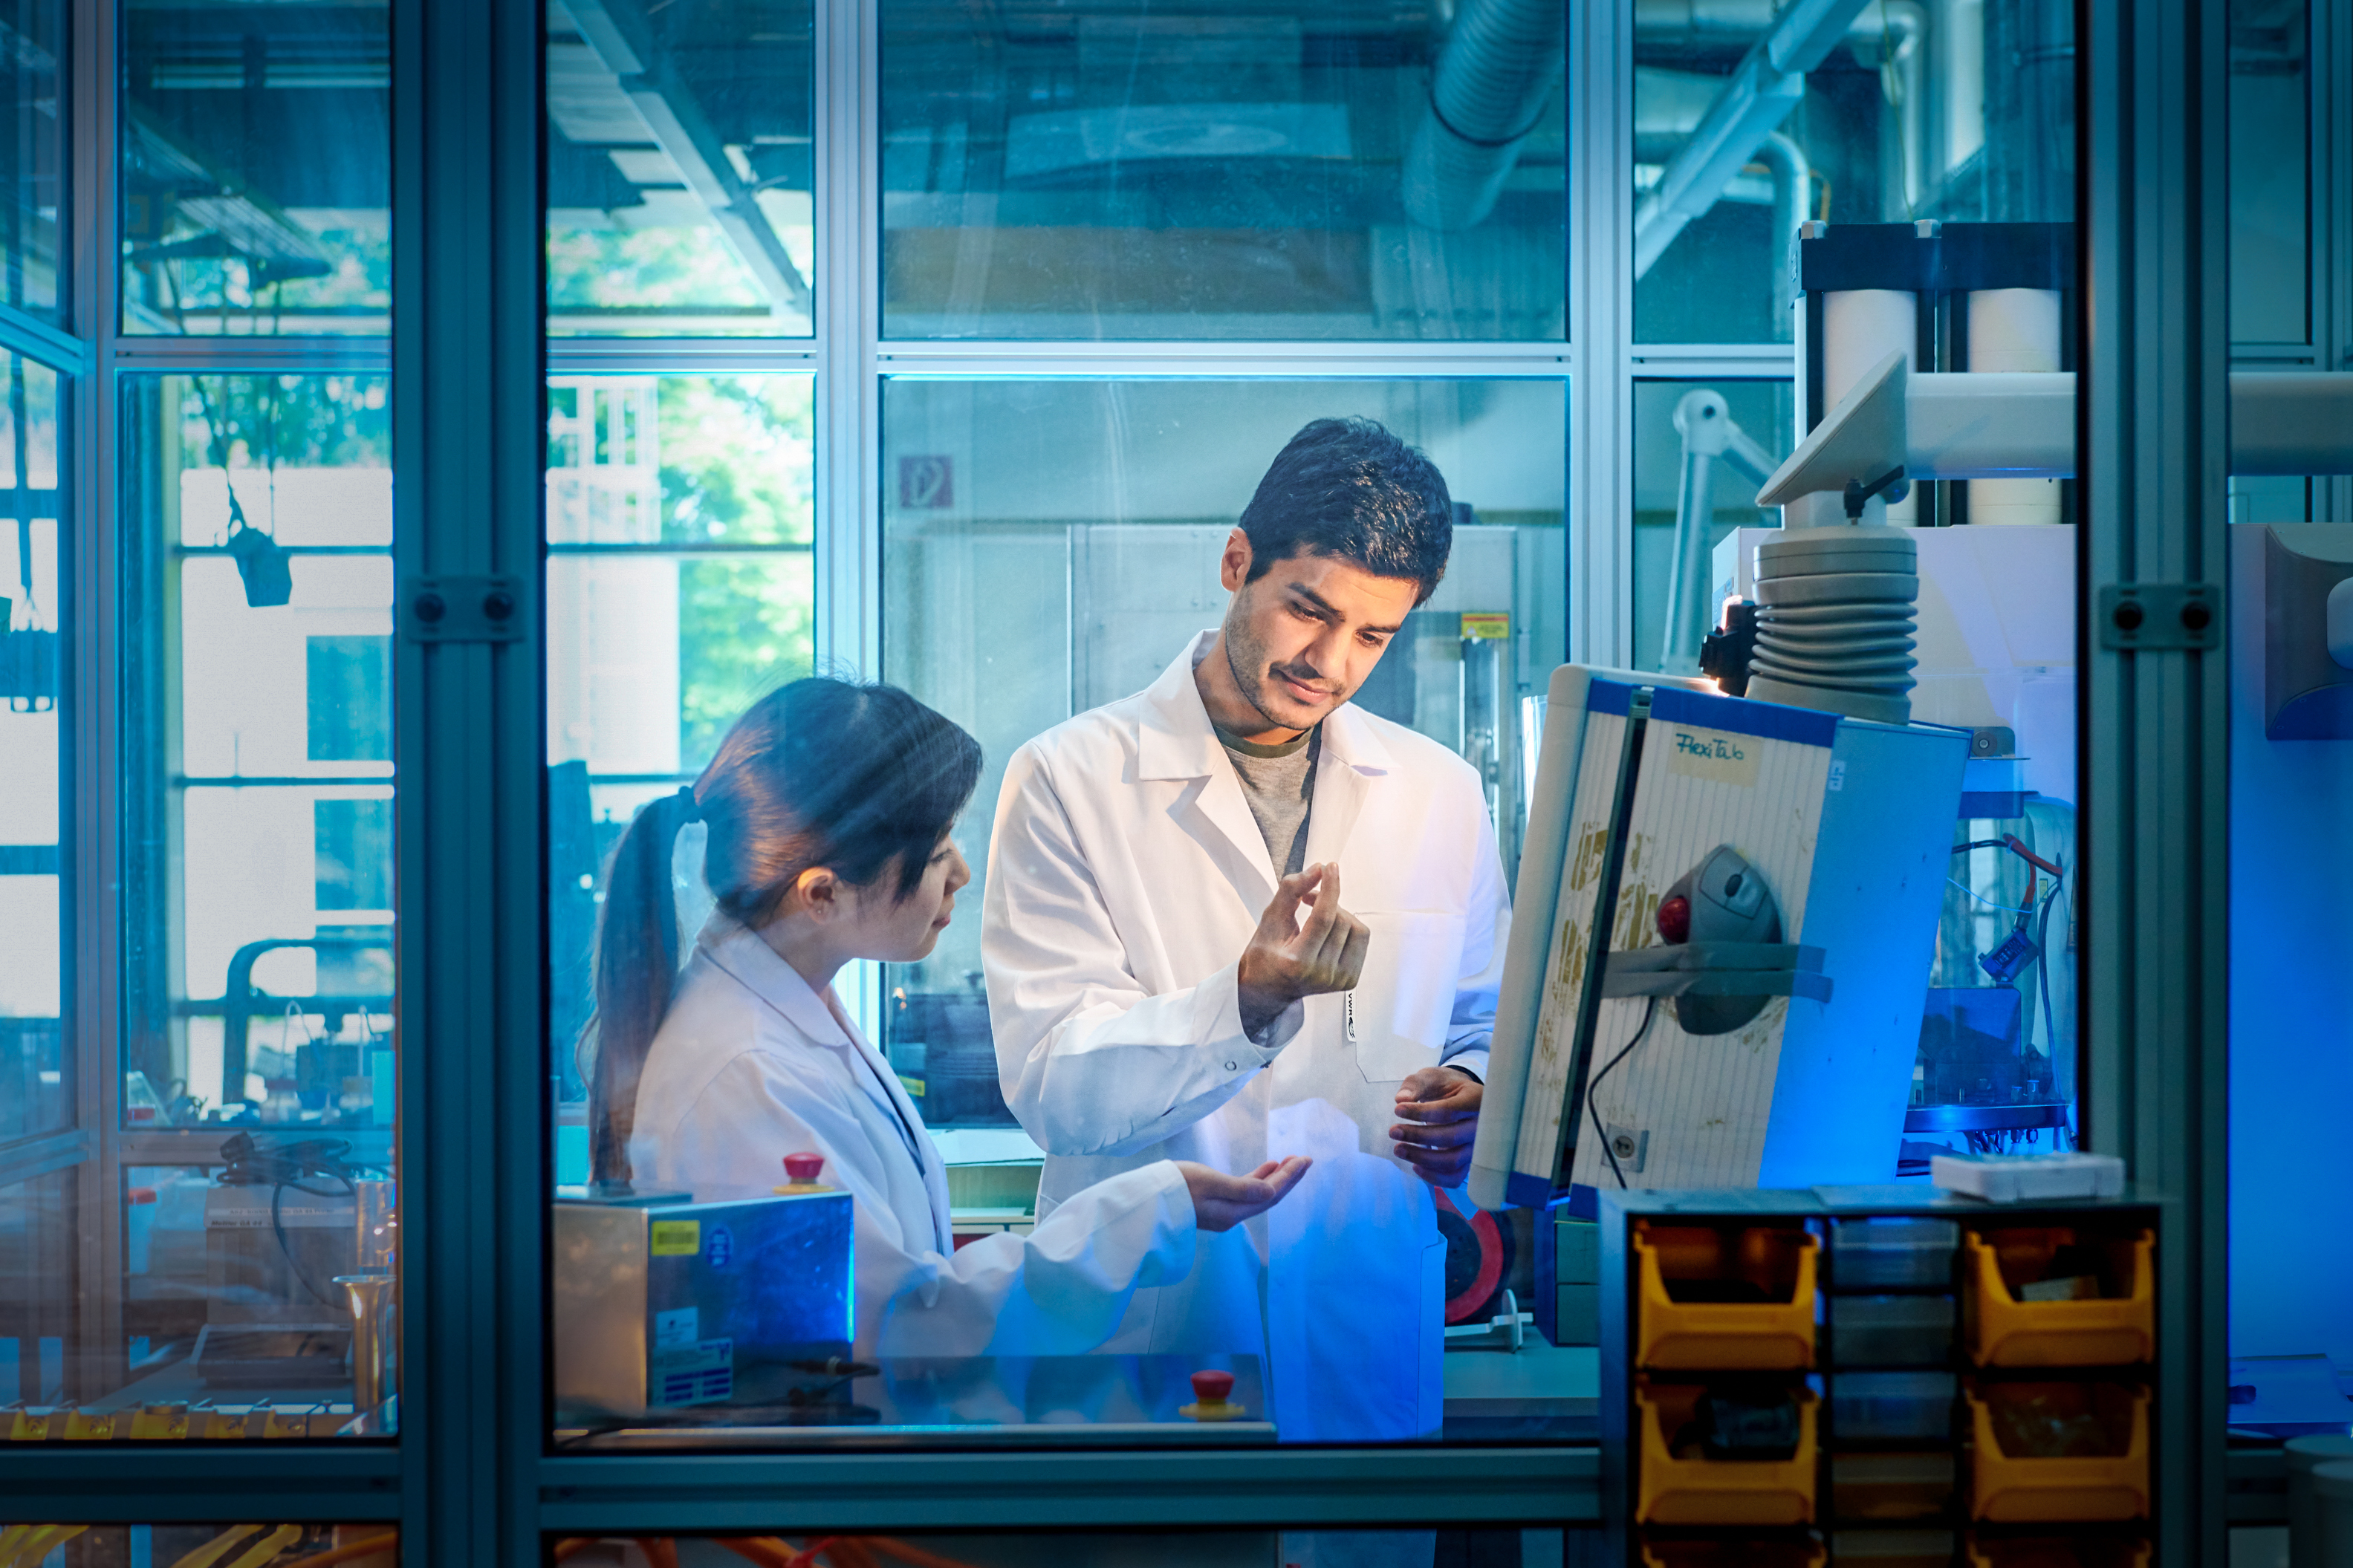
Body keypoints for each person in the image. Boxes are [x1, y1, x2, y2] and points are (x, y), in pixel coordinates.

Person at [981, 417, 1510, 1443]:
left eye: (1372, 635)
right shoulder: (1067, 779)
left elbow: (1483, 1017)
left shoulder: (1438, 793)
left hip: (1359, 1313)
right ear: (1236, 563)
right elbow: (1052, 1083)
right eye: (1306, 612)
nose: (1330, 662)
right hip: (1156, 1318)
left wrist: (1476, 1088)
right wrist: (1244, 1000)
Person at [587, 677, 1311, 1360]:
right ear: (821, 894)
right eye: (935, 854)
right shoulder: (744, 1072)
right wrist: (1148, 1209)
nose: (962, 874)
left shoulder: (783, 1011)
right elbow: (908, 1329)